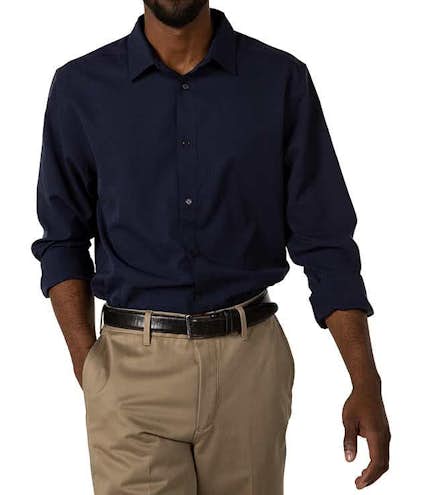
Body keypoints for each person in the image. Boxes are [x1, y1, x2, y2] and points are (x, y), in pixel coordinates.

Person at [31, 2, 390, 494]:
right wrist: (88, 367)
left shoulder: (280, 81)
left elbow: (325, 240)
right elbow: (62, 239)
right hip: (130, 371)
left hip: (250, 369)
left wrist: (365, 379)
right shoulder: (81, 88)